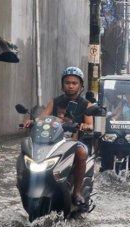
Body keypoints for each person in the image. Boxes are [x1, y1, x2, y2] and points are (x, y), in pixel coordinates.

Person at [24, 67, 93, 206]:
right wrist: (32, 121)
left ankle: (77, 192)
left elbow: (90, 124)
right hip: (54, 142)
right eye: (67, 82)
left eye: (74, 83)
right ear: (62, 86)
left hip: (74, 142)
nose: (71, 85)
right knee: (27, 148)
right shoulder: (54, 102)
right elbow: (42, 118)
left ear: (81, 86)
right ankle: (23, 183)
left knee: (81, 152)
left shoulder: (86, 104)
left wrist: (85, 126)